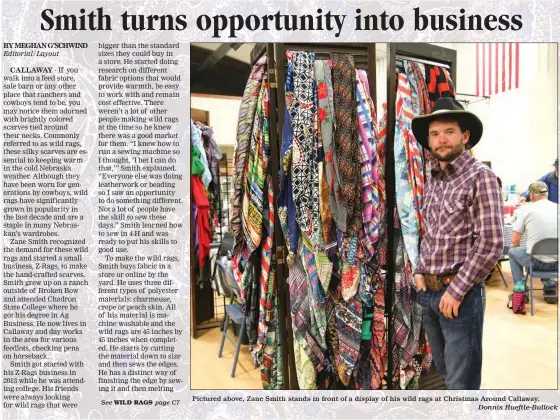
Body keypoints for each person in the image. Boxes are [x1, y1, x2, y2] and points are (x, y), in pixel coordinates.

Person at [411, 97, 504, 390]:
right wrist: (419, 270)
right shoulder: (434, 177)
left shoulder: (481, 177)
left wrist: (456, 291)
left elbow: (491, 243)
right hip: (430, 294)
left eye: (449, 131)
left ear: (464, 136)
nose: (441, 140)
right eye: (435, 134)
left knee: (462, 384)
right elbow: (433, 232)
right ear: (428, 140)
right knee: (446, 373)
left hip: (460, 298)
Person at [509, 181, 558, 304]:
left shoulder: (525, 210)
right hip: (558, 263)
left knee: (513, 252)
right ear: (546, 194)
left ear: (531, 195)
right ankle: (550, 289)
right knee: (550, 251)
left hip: (536, 262)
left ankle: (521, 290)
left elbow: (515, 241)